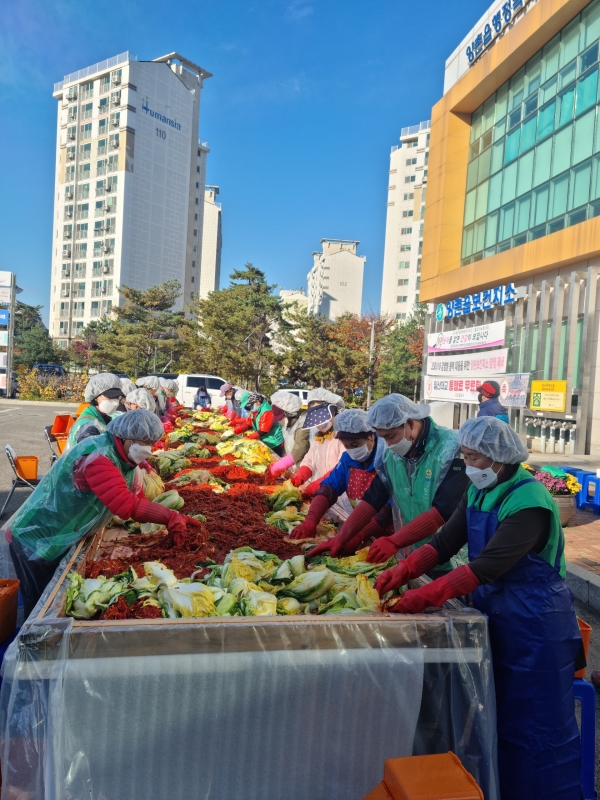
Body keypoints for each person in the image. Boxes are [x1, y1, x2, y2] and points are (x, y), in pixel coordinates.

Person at [376, 416, 582, 800]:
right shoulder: (478, 490)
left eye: (474, 458)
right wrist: (405, 570)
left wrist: (424, 595)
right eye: (465, 456)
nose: (468, 466)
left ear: (498, 458)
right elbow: (445, 540)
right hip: (497, 611)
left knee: (537, 726)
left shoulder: (530, 500)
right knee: (496, 714)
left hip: (536, 622)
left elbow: (487, 565)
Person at [6, 410, 202, 617]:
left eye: (151, 443)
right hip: (37, 537)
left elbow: (137, 497)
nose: (147, 449)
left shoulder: (123, 457)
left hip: (61, 534)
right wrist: (169, 517)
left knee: (47, 598)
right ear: (125, 437)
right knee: (38, 607)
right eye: (143, 443)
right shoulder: (98, 457)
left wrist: (166, 517)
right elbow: (126, 505)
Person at [312, 394, 469, 565]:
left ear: (409, 423)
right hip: (415, 552)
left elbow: (442, 511)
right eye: (383, 437)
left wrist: (394, 541)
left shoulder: (452, 449)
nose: (387, 444)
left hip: (452, 558)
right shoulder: (393, 453)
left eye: (390, 436)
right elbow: (374, 497)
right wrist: (342, 537)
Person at [292, 409, 392, 540]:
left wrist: (359, 535)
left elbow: (390, 507)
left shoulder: (387, 460)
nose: (352, 450)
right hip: (358, 528)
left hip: (391, 535)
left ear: (371, 436)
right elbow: (329, 488)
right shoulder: (347, 459)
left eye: (355, 444)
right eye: (347, 445)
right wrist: (311, 519)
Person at [290, 389, 349, 519]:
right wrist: (301, 475)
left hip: (343, 498)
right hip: (324, 495)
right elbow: (310, 459)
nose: (319, 425)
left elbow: (341, 468)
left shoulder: (344, 435)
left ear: (334, 411)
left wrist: (318, 485)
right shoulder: (319, 437)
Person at [66, 373, 126, 451]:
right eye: (110, 396)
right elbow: (91, 458)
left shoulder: (104, 417)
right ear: (95, 397)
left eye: (117, 397)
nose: (115, 401)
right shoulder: (88, 427)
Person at [268, 391, 310, 477]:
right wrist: (284, 460)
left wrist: (282, 464)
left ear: (289, 413)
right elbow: (288, 446)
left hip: (306, 472)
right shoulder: (289, 423)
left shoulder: (303, 424)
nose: (279, 421)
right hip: (295, 468)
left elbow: (299, 450)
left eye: (281, 418)